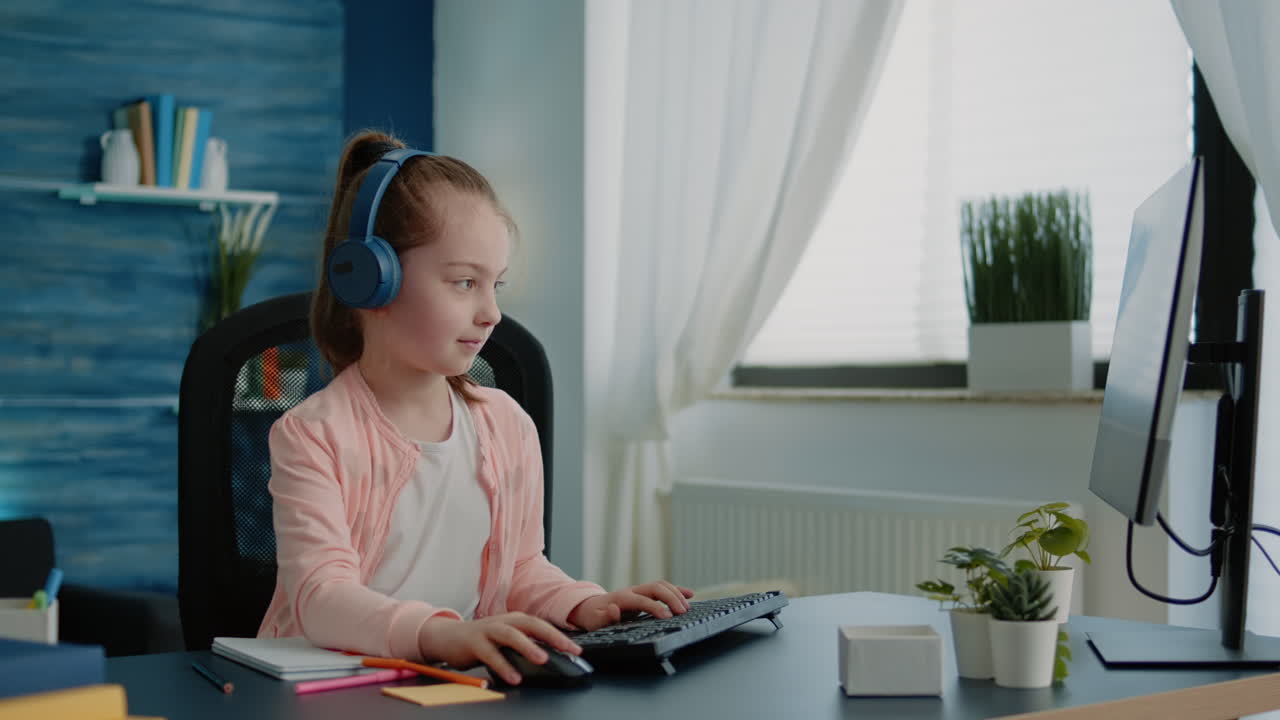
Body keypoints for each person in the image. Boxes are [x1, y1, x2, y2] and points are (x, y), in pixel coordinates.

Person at [257, 130, 693, 685]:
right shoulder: (312, 434)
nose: (490, 313)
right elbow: (322, 597)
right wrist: (441, 633)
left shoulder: (507, 425)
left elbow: (521, 570)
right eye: (465, 282)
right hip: (328, 687)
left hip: (450, 683)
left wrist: (586, 606)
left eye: (496, 286)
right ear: (372, 280)